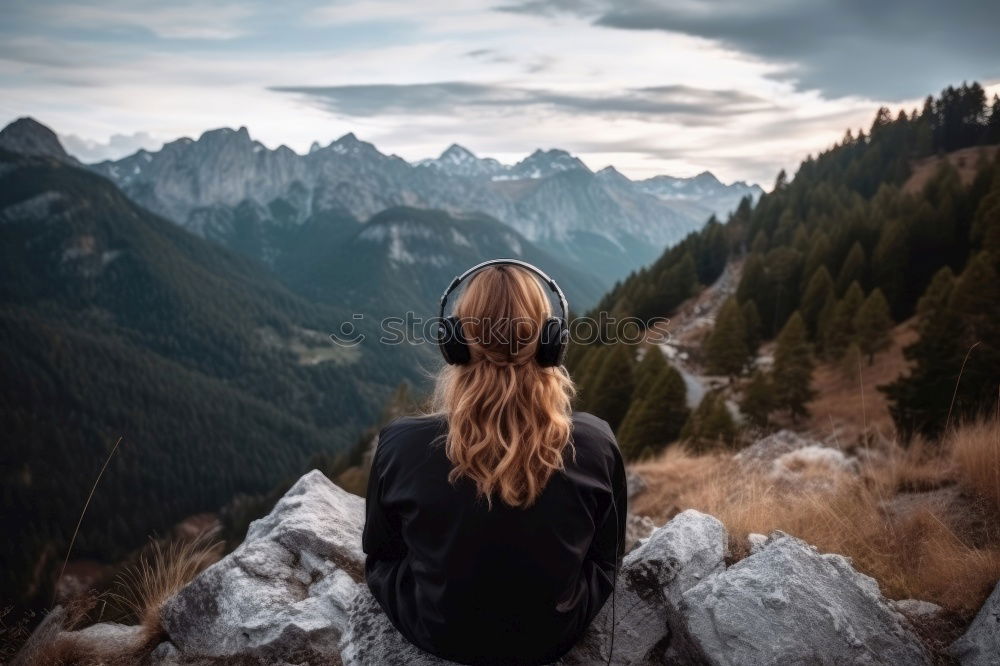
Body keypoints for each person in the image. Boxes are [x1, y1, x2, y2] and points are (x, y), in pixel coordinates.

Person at [363, 260, 627, 666]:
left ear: (454, 342)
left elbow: (382, 551)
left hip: (437, 632)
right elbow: (606, 556)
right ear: (550, 343)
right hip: (552, 637)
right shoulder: (595, 443)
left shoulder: (401, 444)